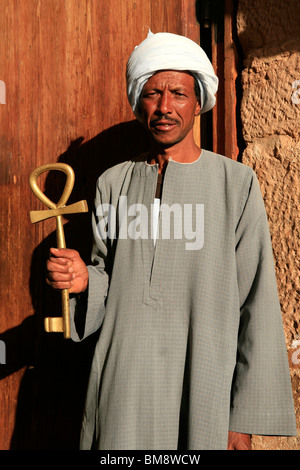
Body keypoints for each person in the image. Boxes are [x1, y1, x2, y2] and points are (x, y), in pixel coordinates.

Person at [46, 31, 297, 450]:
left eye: (178, 94)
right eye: (152, 94)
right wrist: (84, 280)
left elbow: (256, 300)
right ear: (137, 103)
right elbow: (110, 274)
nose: (164, 107)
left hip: (205, 388)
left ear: (198, 102)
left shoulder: (235, 185)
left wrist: (241, 419)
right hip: (125, 384)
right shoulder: (112, 184)